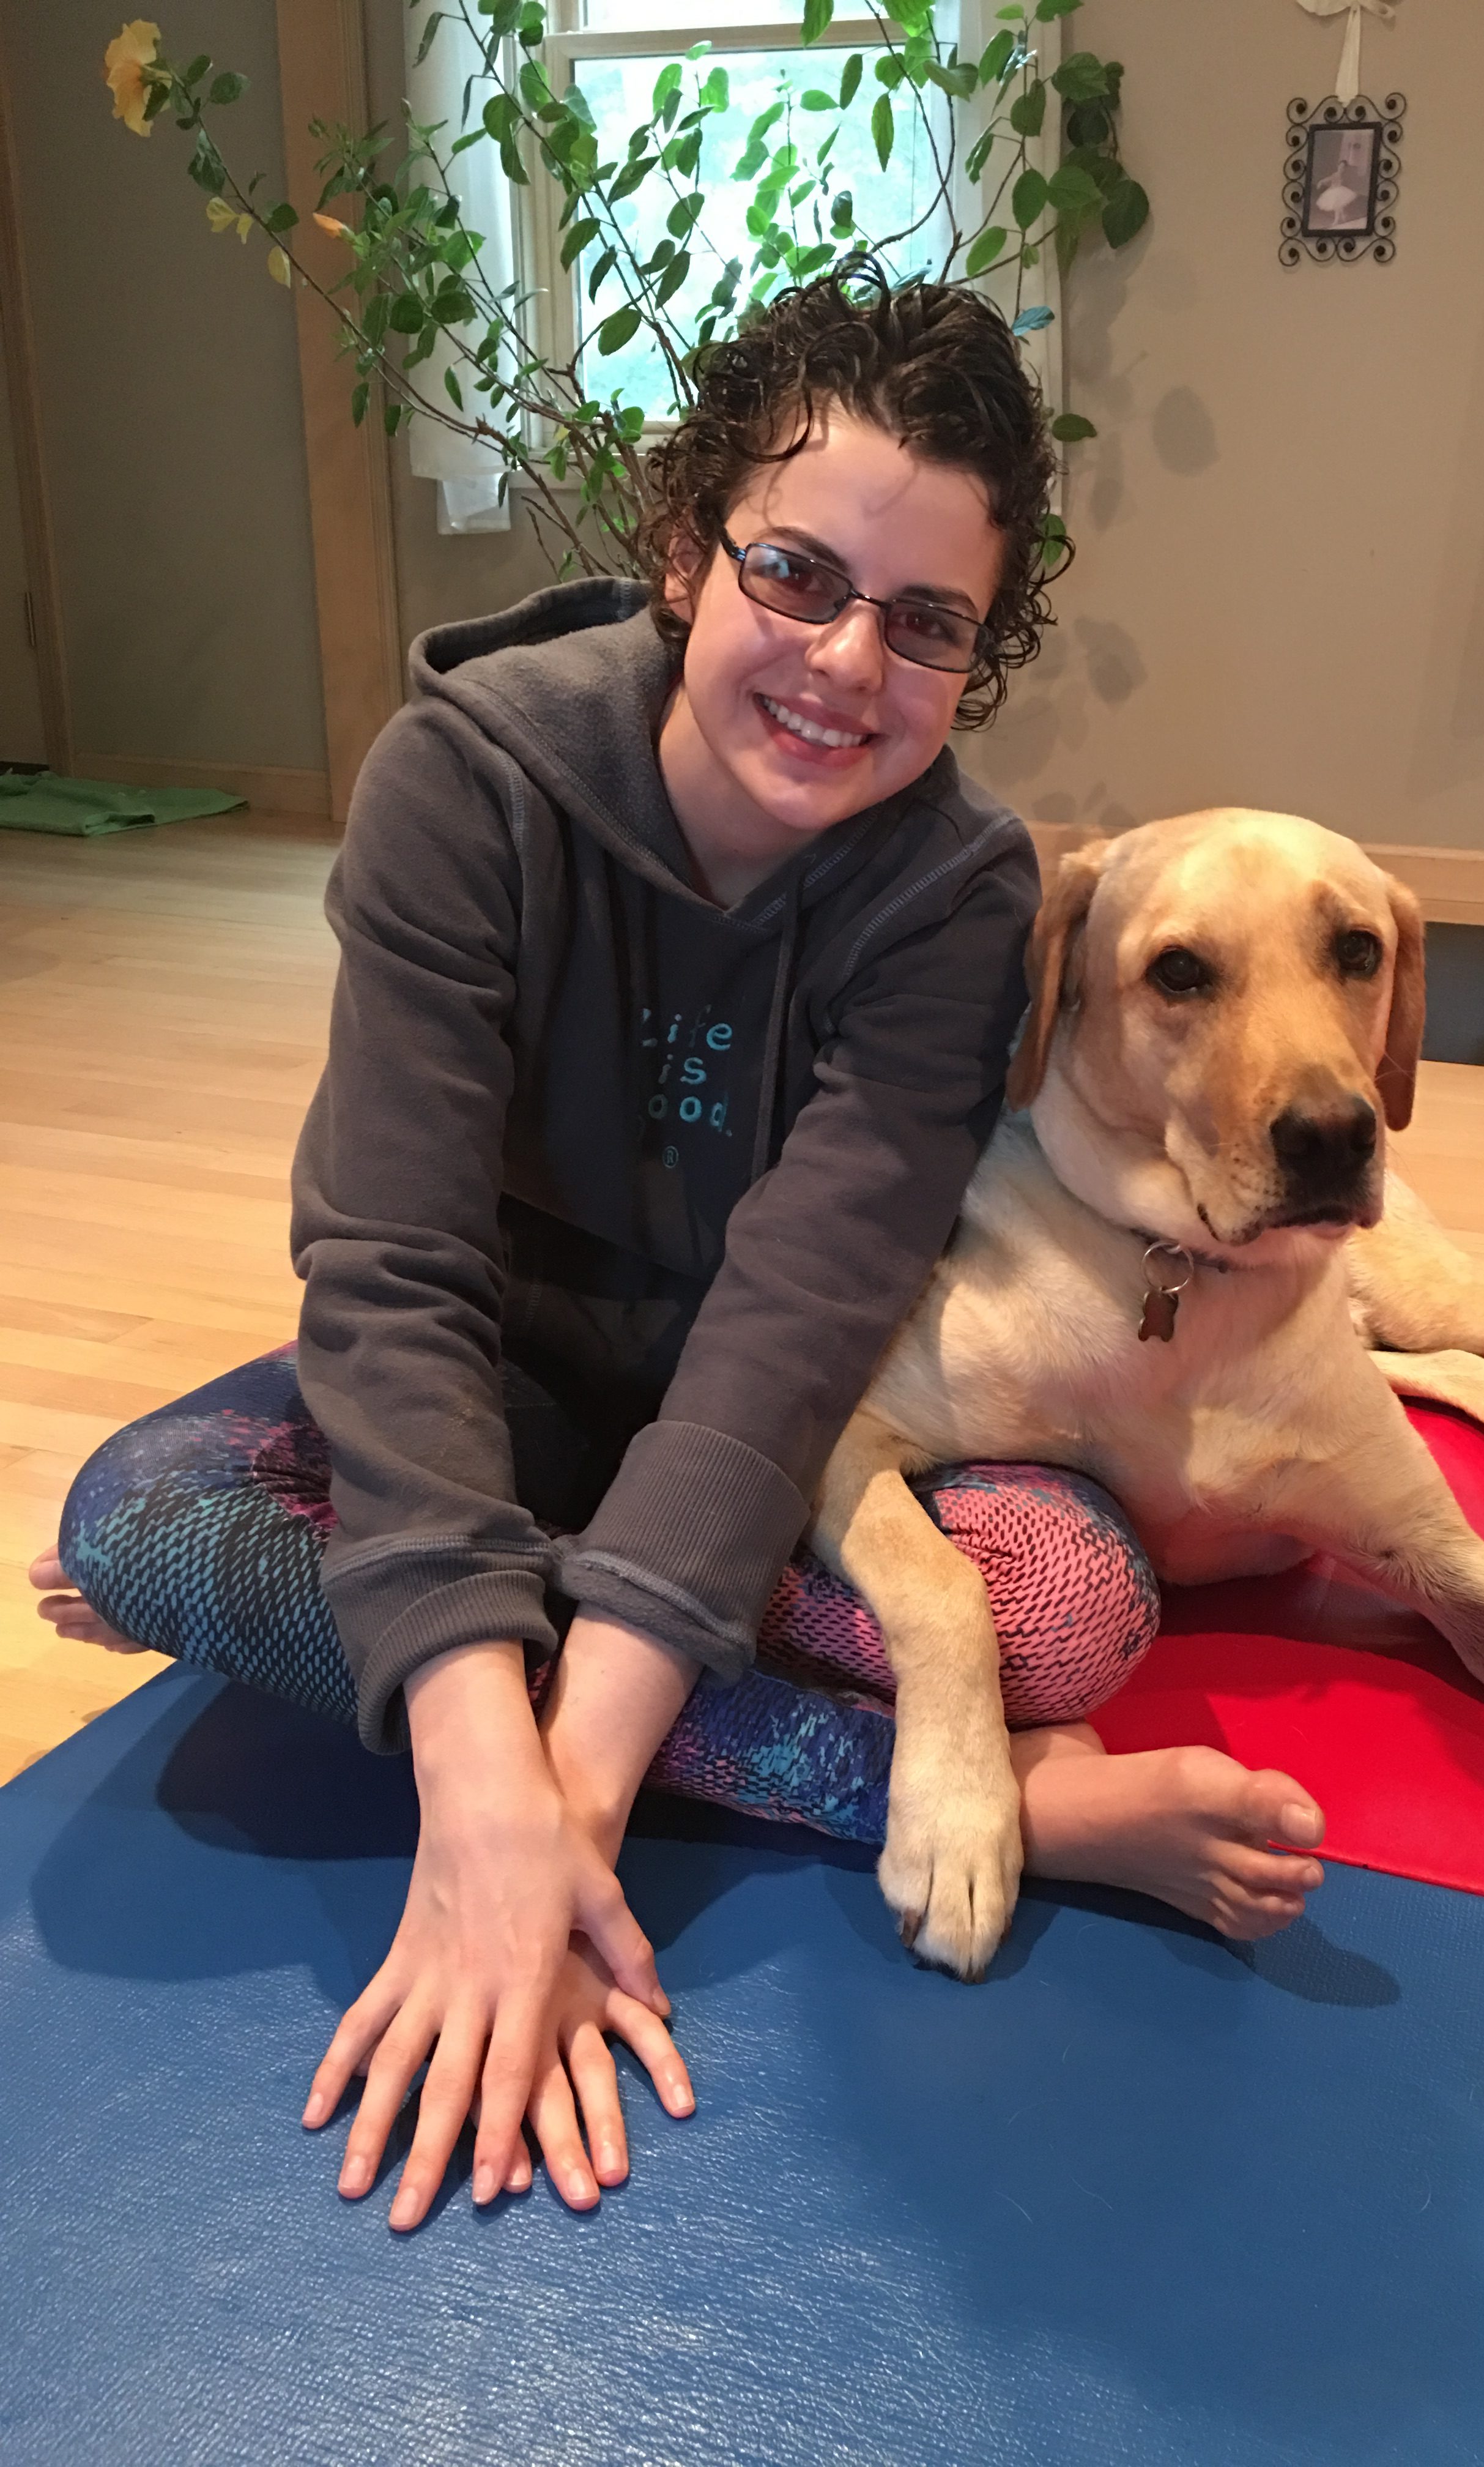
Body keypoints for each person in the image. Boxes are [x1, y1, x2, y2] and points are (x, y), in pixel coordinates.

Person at [32, 275, 1326, 2234]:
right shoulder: (467, 783)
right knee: (139, 1516)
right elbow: (387, 1267)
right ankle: (953, 1792)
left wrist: (553, 1803)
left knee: (1068, 1612)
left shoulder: (963, 895)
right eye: (795, 574)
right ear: (681, 546)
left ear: (979, 657)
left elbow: (789, 1342)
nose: (843, 662)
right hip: (510, 1382)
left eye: (925, 625)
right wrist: (492, 1812)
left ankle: (416, 1608)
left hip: (793, 1427)